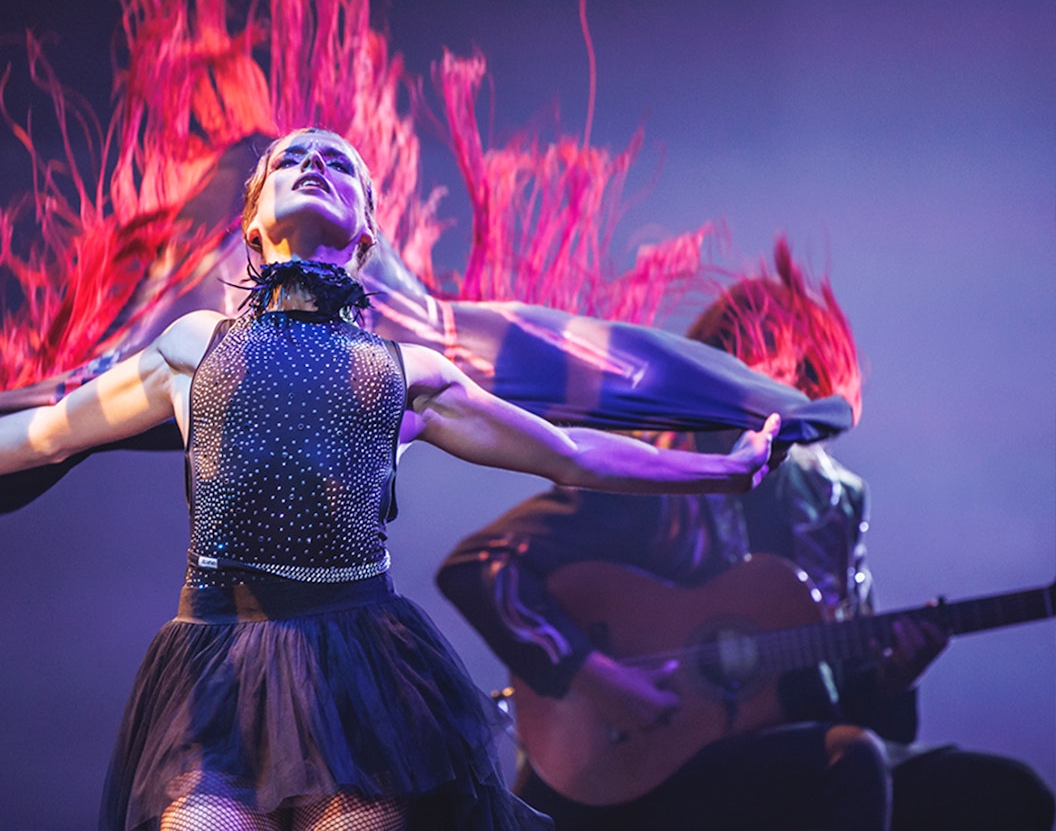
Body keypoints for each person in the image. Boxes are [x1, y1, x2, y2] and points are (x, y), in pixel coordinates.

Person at [0, 129, 784, 831]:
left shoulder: (406, 373)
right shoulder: (195, 347)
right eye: (293, 160)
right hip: (215, 670)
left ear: (366, 233)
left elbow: (570, 454)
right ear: (253, 227)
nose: (316, 165)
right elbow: (49, 436)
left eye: (340, 164)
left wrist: (718, 470)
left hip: (358, 675)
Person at [436, 249, 1055, 830]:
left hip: (793, 754)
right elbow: (482, 565)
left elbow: (856, 706)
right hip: (641, 765)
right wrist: (592, 673)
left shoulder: (834, 502)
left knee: (1009, 792)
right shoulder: (653, 471)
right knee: (851, 760)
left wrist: (894, 679)